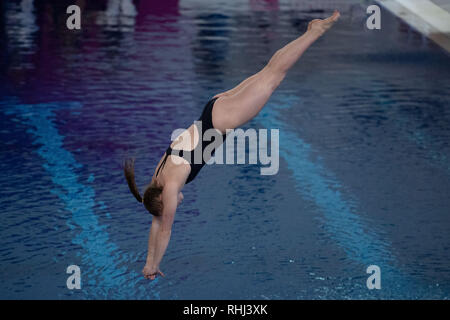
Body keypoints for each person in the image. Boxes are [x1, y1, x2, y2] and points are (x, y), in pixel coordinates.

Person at [124, 11, 340, 280]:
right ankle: (311, 32)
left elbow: (165, 229)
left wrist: (155, 264)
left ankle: (314, 32)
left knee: (274, 76)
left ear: (162, 200)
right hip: (213, 109)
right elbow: (156, 223)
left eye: (169, 206)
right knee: (267, 72)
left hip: (223, 120)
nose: (175, 205)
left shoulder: (170, 188)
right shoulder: (158, 176)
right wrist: (148, 263)